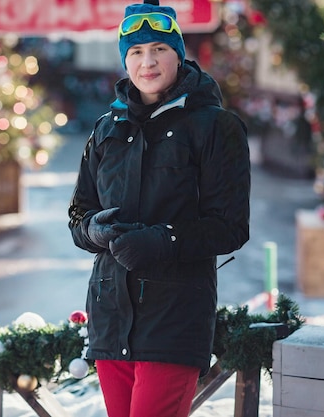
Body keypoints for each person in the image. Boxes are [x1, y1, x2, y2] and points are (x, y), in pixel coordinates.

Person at [67, 0, 251, 416]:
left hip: (175, 316)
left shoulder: (216, 127)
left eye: (159, 49)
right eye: (135, 52)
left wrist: (163, 241)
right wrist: (94, 229)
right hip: (110, 315)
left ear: (179, 52)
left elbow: (231, 226)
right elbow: (79, 213)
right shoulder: (106, 128)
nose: (146, 62)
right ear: (124, 60)